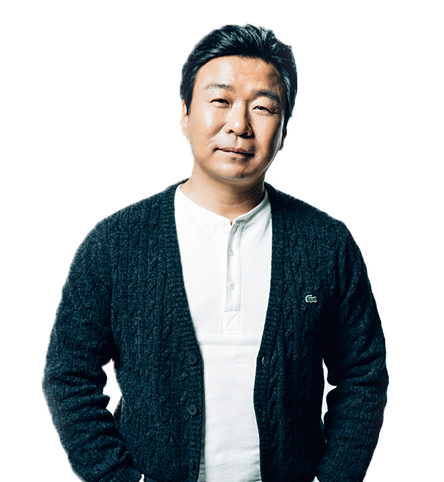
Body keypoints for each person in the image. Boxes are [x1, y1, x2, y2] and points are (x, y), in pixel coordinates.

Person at [43, 24, 388, 482]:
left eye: (262, 107)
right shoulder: (117, 244)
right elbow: (69, 373)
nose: (239, 125)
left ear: (284, 129)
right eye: (221, 100)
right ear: (185, 114)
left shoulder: (326, 245)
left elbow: (362, 374)